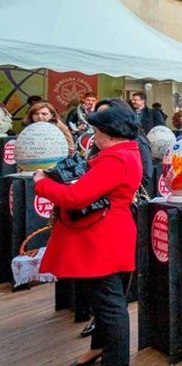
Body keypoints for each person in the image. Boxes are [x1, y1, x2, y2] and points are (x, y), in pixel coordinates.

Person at [33, 105, 142, 366]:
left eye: (96, 131)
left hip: (103, 238)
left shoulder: (116, 158)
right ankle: (101, 350)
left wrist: (41, 183)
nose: (94, 136)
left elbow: (75, 196)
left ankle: (115, 360)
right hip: (111, 234)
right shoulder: (124, 153)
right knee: (107, 300)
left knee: (109, 304)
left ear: (109, 132)